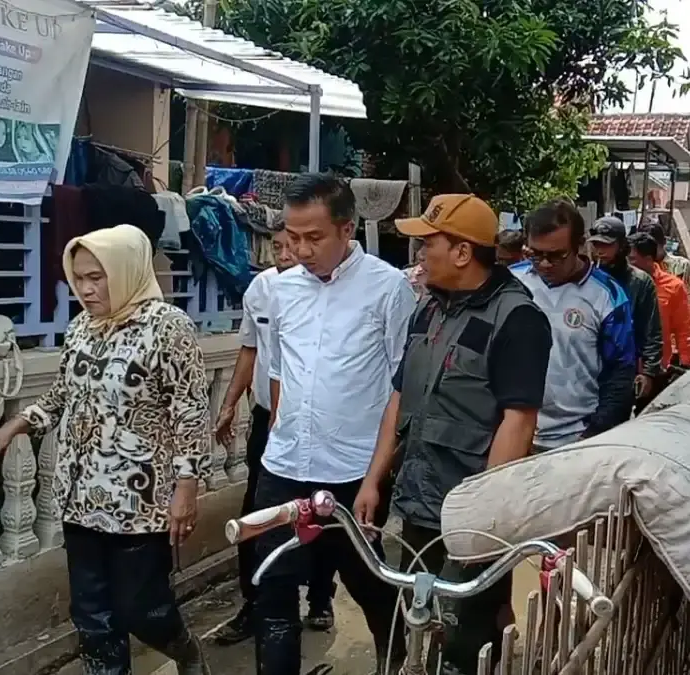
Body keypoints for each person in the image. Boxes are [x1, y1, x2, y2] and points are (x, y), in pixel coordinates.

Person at [0, 225, 211, 675]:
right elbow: (64, 393)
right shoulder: (82, 326)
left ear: (124, 271)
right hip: (80, 496)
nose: (85, 289)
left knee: (143, 609)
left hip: (141, 498)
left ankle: (184, 649)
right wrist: (17, 424)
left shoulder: (168, 327)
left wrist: (187, 487)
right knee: (93, 618)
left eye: (96, 277)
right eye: (78, 278)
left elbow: (190, 411)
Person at [354, 194, 552, 674]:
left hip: (470, 514)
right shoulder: (429, 310)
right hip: (419, 503)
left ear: (463, 252)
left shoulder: (518, 318)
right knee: (420, 623)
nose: (420, 254)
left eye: (429, 244)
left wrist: (481, 514)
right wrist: (373, 480)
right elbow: (399, 398)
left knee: (468, 639)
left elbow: (518, 421)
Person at [252, 173, 415, 675]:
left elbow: (402, 386)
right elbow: (279, 370)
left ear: (347, 229)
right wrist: (278, 430)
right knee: (272, 584)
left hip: (352, 471)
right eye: (293, 236)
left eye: (314, 237)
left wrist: (376, 477)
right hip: (283, 465)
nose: (300, 250)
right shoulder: (280, 290)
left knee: (366, 581)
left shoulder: (388, 289)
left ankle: (396, 661)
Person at [212, 219, 337, 643]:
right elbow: (250, 349)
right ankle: (255, 603)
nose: (286, 255)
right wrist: (229, 403)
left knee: (320, 509)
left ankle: (320, 596)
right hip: (270, 420)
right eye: (279, 246)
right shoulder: (261, 289)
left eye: (294, 245)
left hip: (319, 422)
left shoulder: (330, 291)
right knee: (259, 514)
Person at [511, 199, 636, 451]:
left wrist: (594, 434)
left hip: (576, 440)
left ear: (579, 245)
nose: (545, 264)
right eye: (535, 254)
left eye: (556, 255)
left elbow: (620, 374)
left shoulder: (608, 295)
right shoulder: (510, 283)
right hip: (511, 436)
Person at [587, 216, 664, 399]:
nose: (600, 251)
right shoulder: (587, 279)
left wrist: (648, 373)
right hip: (587, 368)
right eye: (596, 245)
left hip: (623, 369)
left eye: (607, 245)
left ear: (622, 246)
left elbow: (651, 331)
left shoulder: (640, 282)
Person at [627, 233, 690, 410]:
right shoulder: (622, 284)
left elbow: (684, 327)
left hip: (657, 367)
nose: (628, 263)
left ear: (648, 259)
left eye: (632, 259)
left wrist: (684, 362)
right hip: (624, 365)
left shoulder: (673, 287)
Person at [643, 220, 690, 321]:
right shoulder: (640, 267)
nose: (650, 252)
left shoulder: (681, 266)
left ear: (664, 242)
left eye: (654, 247)